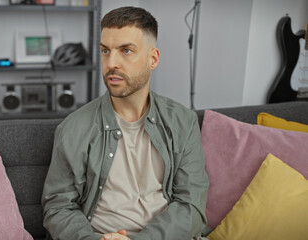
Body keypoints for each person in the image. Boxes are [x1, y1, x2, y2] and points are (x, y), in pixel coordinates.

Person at [42, 6, 209, 240]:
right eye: (105, 51)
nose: (112, 63)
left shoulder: (183, 122)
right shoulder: (73, 128)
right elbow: (58, 207)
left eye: (126, 51)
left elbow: (191, 205)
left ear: (153, 58)